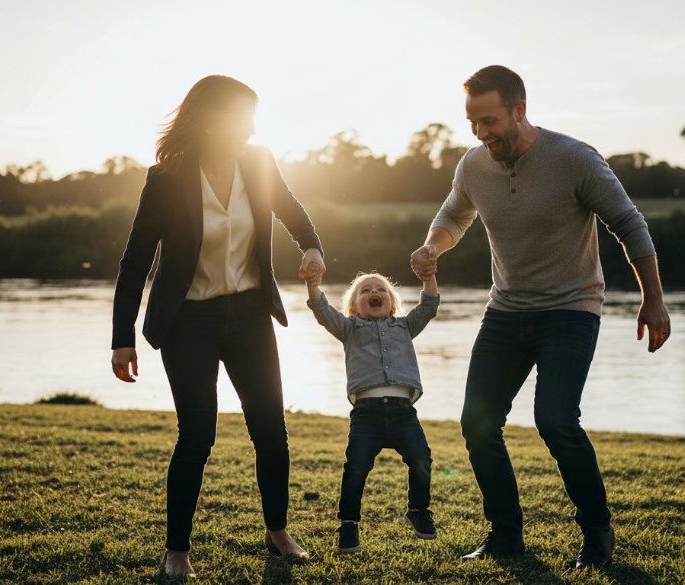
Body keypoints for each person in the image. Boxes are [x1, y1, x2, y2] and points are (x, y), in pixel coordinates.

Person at [410, 65, 671, 568]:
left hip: (571, 310)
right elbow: (453, 215)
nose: (482, 134)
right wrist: (432, 246)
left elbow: (629, 224)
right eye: (473, 124)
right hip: (506, 310)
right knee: (477, 423)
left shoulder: (574, 159)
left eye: (489, 121)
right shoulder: (473, 165)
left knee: (554, 419)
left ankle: (597, 532)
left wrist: (652, 298)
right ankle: (505, 533)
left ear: (519, 110)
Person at [110, 75, 325, 576]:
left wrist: (311, 246)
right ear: (210, 120)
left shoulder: (258, 161)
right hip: (188, 322)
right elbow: (135, 261)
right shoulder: (167, 179)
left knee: (271, 429)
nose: (250, 127)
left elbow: (292, 212)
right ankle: (177, 550)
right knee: (197, 436)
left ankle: (277, 532)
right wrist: (122, 339)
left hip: (250, 314)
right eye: (241, 117)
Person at [304, 270, 439, 554]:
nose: (374, 292)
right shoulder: (349, 328)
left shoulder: (405, 326)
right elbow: (322, 310)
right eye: (365, 291)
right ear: (353, 306)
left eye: (381, 290)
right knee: (356, 468)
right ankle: (349, 523)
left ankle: (418, 509)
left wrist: (429, 276)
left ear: (392, 303)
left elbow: (428, 306)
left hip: (403, 412)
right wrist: (313, 285)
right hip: (366, 415)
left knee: (421, 458)